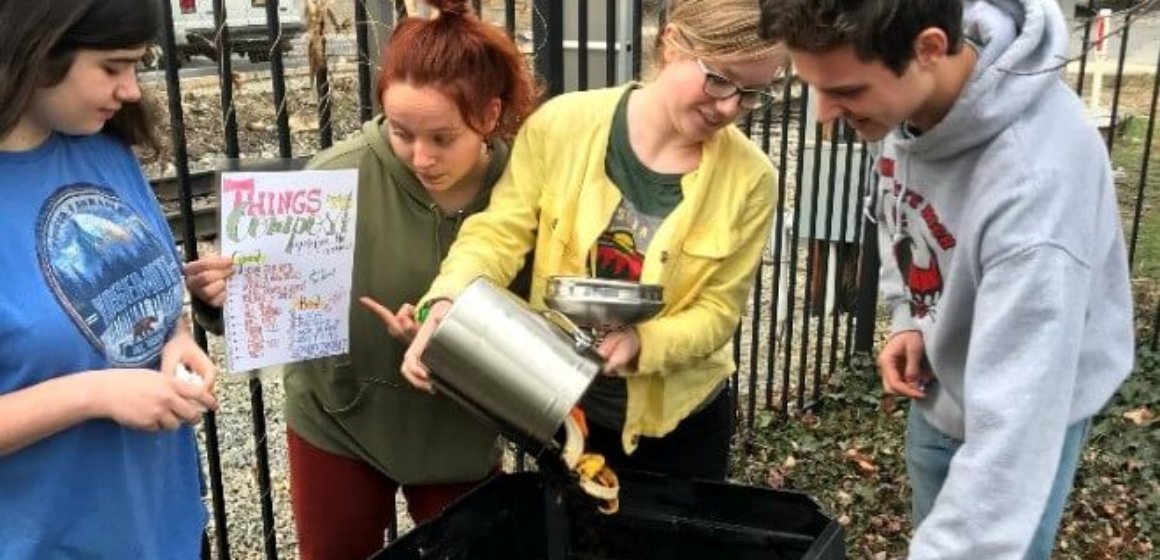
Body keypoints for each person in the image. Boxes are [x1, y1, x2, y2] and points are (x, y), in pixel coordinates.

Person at [759, 0, 1134, 558]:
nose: (822, 114)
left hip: (1026, 407)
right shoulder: (908, 96)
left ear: (929, 48)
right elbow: (900, 206)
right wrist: (909, 316)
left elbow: (1014, 437)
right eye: (815, 86)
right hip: (941, 381)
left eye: (847, 92)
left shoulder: (1034, 187)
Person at [183, 1, 539, 558]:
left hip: (457, 428)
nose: (420, 156)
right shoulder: (335, 175)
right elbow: (272, 305)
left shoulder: (521, 189)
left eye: (442, 138)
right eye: (401, 133)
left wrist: (449, 344)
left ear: (489, 116)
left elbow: (534, 323)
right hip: (338, 419)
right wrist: (222, 298)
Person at [388, 0, 785, 482]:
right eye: (719, 79)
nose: (729, 108)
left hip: (682, 426)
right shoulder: (562, 126)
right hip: (563, 404)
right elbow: (498, 233)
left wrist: (643, 342)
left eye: (750, 94)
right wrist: (449, 300)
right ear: (671, 43)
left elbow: (719, 312)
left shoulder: (750, 179)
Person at [0, 1, 219, 558]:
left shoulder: (103, 147)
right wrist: (95, 394)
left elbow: (148, 288)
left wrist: (177, 340)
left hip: (163, 524)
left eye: (137, 66)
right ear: (39, 48)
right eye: (112, 66)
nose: (132, 91)